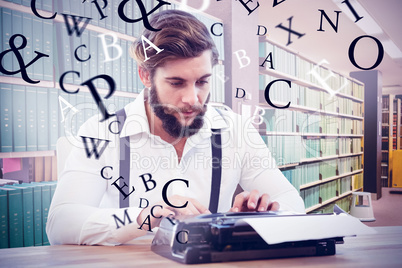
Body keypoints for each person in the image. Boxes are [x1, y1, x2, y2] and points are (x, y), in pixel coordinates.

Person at [47, 9, 305, 246]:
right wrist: (146, 217)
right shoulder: (101, 132)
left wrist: (263, 215)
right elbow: (60, 224)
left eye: (202, 82)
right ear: (146, 76)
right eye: (176, 83)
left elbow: (292, 202)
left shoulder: (236, 131)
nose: (192, 98)